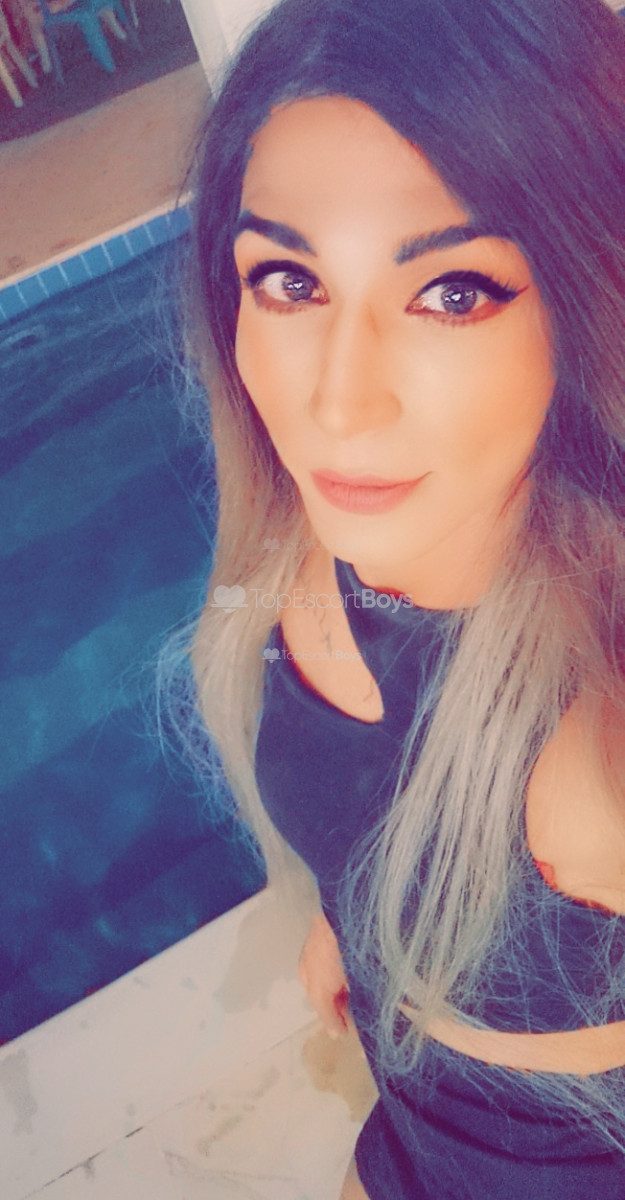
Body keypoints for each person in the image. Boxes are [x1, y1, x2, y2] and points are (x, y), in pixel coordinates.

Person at [184, 0, 625, 1195]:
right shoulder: (313, 547)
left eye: (453, 294)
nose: (338, 401)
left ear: (589, 294)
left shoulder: (597, 748)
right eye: (289, 281)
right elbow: (377, 812)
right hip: (406, 1120)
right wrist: (356, 924)